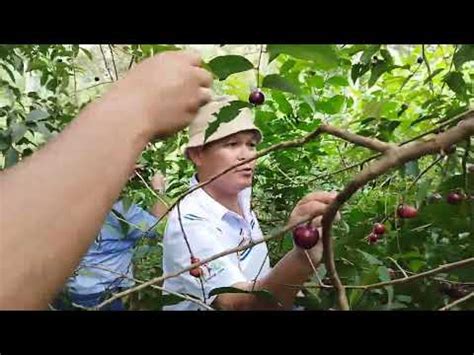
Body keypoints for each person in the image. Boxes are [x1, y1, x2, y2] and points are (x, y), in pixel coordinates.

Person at [0, 50, 213, 310]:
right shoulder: (120, 211)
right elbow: (157, 228)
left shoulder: (60, 203)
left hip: (62, 295)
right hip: (106, 298)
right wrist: (158, 187)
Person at [162, 97, 338, 310]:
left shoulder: (241, 198)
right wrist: (300, 259)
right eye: (232, 144)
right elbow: (238, 304)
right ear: (197, 154)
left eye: (251, 145)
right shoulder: (189, 222)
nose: (246, 156)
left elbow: (259, 277)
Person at [51, 170, 167, 311]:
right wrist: (159, 190)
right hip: (100, 296)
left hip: (64, 291)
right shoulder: (120, 208)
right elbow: (157, 228)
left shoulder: (65, 200)